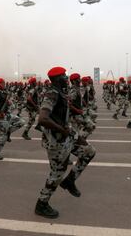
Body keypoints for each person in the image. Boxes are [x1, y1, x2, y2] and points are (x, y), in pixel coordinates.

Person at [35, 67, 96, 219]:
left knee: (89, 151)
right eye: (63, 75)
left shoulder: (61, 92)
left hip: (68, 135)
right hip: (56, 140)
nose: (66, 77)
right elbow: (42, 118)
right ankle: (41, 204)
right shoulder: (52, 93)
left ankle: (69, 181)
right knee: (56, 174)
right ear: (57, 79)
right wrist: (61, 130)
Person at [0, 78, 25, 160]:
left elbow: (4, 102)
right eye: (3, 83)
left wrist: (8, 103)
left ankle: (8, 132)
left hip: (6, 115)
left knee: (21, 122)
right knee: (3, 137)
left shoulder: (3, 93)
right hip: (0, 118)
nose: (4, 84)